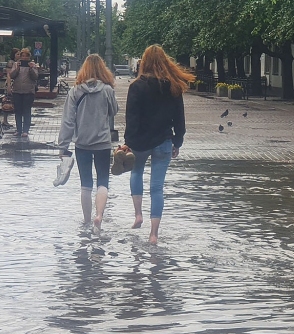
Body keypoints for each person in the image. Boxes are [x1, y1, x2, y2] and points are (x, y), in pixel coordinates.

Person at [124, 44, 194, 245]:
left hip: (140, 141)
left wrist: (129, 142)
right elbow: (180, 118)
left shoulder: (136, 87)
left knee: (136, 173)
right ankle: (154, 234)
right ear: (165, 62)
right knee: (157, 188)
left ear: (143, 62)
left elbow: (132, 117)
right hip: (164, 140)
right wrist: (177, 141)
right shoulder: (173, 86)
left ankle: (138, 215)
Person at [57, 54, 118, 231]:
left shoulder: (75, 91)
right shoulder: (107, 90)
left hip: (82, 143)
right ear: (102, 69)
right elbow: (113, 111)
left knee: (85, 183)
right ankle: (99, 216)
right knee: (103, 181)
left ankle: (86, 221)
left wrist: (63, 146)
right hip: (103, 143)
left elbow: (68, 121)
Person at [8, 47, 39, 137]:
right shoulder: (15, 64)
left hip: (28, 91)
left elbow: (35, 77)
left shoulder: (33, 65)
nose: (24, 58)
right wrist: (17, 68)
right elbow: (12, 75)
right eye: (23, 56)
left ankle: (25, 130)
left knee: (26, 111)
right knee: (18, 111)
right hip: (17, 91)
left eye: (26, 56)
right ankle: (18, 129)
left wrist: (31, 68)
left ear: (29, 57)